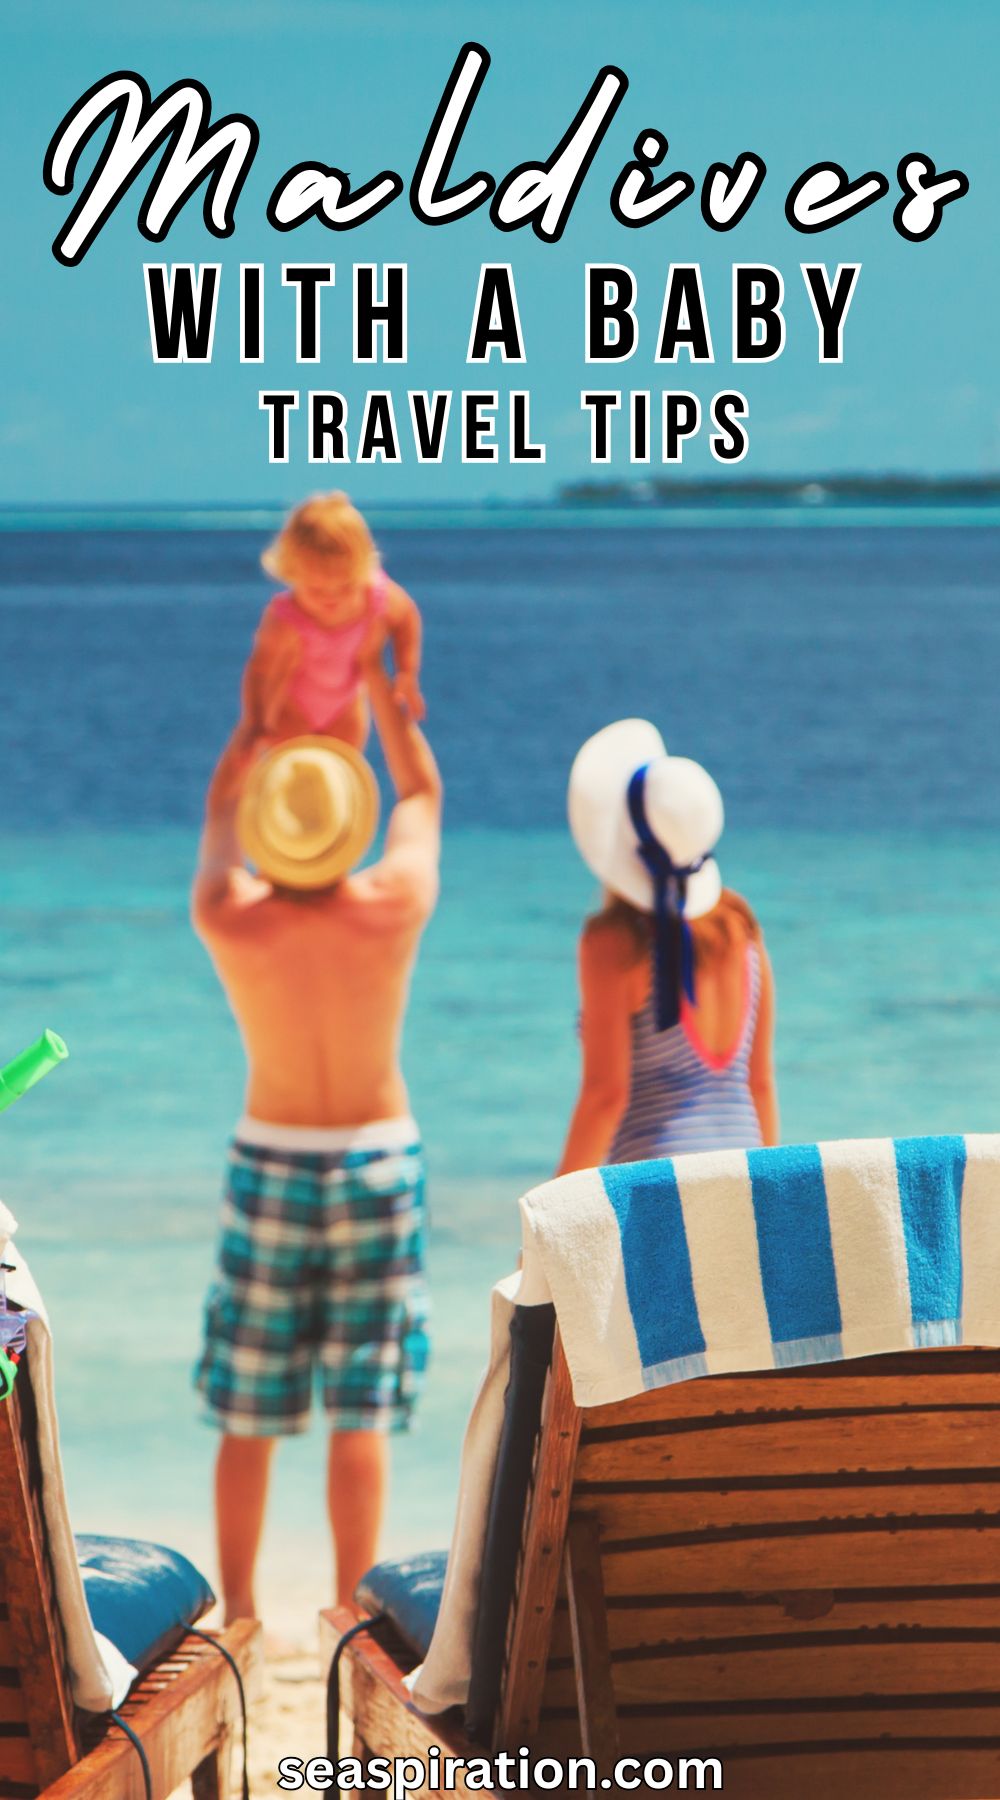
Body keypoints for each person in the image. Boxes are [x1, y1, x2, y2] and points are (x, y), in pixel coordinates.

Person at [191, 647, 441, 1623]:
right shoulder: (392, 908)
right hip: (379, 1154)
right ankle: (348, 1607)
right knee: (361, 1407)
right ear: (346, 828)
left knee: (248, 1408)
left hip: (271, 1157)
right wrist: (383, 688)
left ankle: (243, 1612)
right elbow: (418, 793)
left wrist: (253, 729)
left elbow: (217, 822)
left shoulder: (230, 917)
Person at [557, 719, 778, 1175]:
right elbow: (759, 1084)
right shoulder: (742, 929)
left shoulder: (616, 945)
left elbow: (606, 1097)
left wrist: (545, 1223)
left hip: (661, 1191)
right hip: (748, 1174)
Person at [216, 493, 425, 802]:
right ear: (291, 573)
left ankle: (334, 843)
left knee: (339, 781)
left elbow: (406, 618)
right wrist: (256, 721)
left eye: (344, 586)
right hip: (293, 709)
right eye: (315, 589)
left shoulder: (377, 598)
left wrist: (407, 672)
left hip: (346, 708)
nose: (331, 598)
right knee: (291, 780)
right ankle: (284, 838)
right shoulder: (285, 617)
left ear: (362, 569)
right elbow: (259, 671)